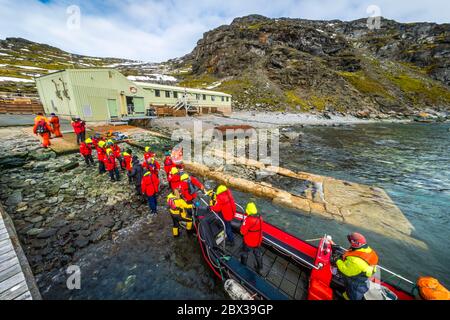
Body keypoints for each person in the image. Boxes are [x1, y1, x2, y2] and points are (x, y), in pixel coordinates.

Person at [335, 232, 379, 300]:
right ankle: (346, 295)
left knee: (353, 293)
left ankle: (347, 298)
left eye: (351, 241)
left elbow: (345, 271)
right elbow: (354, 254)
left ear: (358, 243)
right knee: (351, 290)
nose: (350, 242)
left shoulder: (356, 261)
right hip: (365, 273)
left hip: (357, 280)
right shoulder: (367, 250)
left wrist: (337, 260)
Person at [240, 202, 264, 272]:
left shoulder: (248, 220)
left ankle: (243, 264)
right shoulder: (260, 218)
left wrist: (242, 225)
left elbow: (242, 232)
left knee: (245, 252)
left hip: (249, 241)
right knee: (257, 254)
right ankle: (260, 267)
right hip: (258, 240)